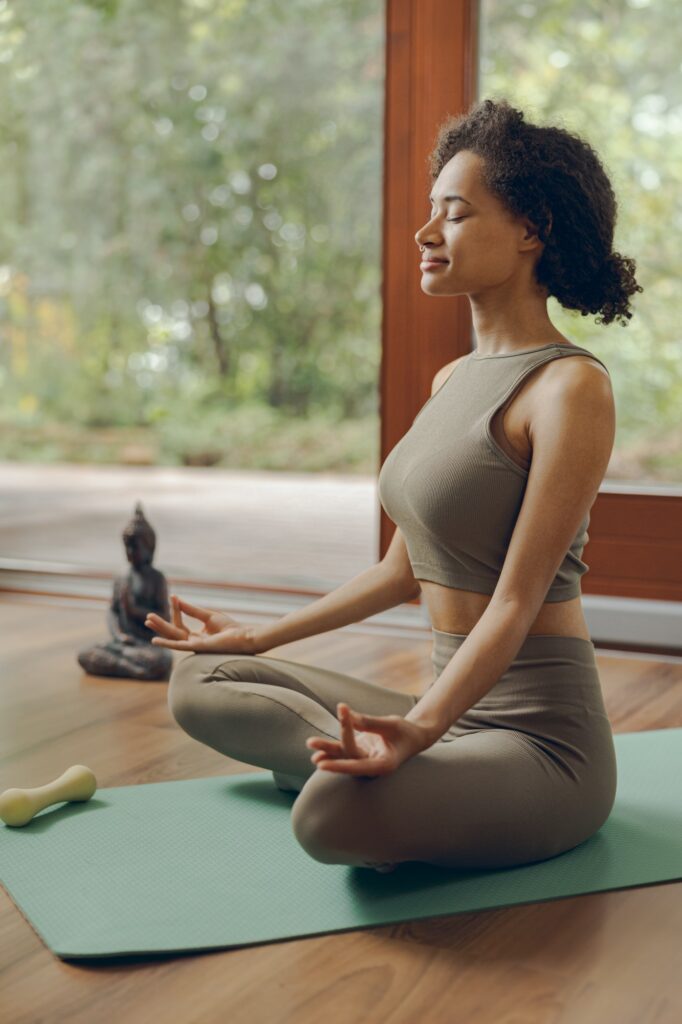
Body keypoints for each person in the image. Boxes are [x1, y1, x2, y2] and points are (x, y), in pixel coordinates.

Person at [146, 98, 642, 873]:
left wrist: (424, 730)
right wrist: (252, 636)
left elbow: (515, 603)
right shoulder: (452, 380)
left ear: (530, 230)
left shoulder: (569, 388)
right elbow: (397, 574)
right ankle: (403, 768)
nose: (425, 233)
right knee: (202, 679)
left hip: (541, 741)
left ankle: (395, 770)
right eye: (430, 212)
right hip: (440, 708)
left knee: (328, 817)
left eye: (454, 213)